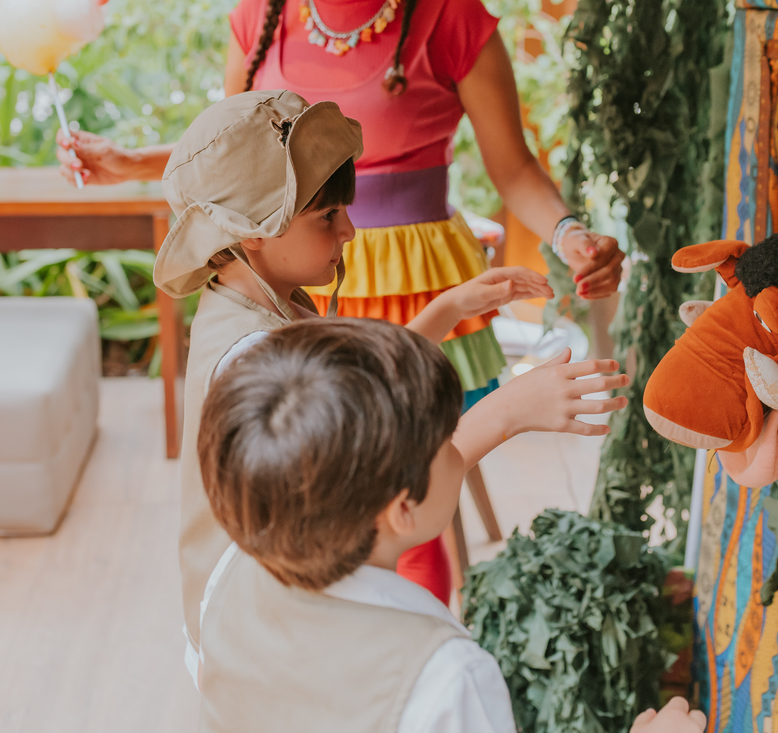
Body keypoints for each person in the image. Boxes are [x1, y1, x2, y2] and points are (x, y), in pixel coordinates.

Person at [59, 0, 626, 599]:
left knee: (405, 493)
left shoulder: (452, 16)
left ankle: (409, 640)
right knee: (356, 485)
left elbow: (514, 167)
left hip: (404, 280)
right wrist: (135, 163)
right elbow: (240, 155)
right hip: (302, 269)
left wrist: (567, 235)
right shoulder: (260, 13)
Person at [152, 89, 627, 687]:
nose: (350, 229)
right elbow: (388, 497)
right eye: (327, 217)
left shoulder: (246, 301)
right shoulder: (256, 356)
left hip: (264, 619)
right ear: (253, 231)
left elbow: (356, 386)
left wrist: (449, 309)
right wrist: (508, 413)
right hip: (272, 650)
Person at [196, 318, 703, 733]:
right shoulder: (445, 678)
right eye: (445, 437)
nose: (457, 444)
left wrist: (507, 413)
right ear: (402, 510)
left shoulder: (232, 573)